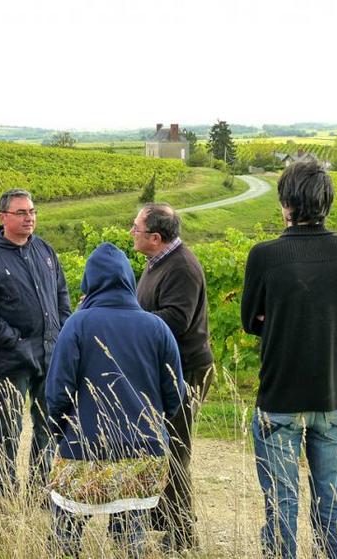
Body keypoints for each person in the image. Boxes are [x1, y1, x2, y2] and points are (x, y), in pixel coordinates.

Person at [241, 161, 337, 558]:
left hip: (279, 400)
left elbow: (250, 321)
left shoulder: (265, 255)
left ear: (287, 202)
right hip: (333, 397)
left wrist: (278, 319)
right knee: (332, 509)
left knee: (282, 508)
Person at [46, 242, 184, 558]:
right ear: (127, 279)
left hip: (84, 453)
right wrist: (153, 426)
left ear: (89, 282)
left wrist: (63, 436)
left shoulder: (78, 324)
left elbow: (56, 395)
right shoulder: (157, 327)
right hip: (143, 455)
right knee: (130, 541)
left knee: (65, 539)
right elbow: (175, 393)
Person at [0, 188, 71, 499]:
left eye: (32, 212)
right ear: (3, 218)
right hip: (14, 360)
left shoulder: (45, 251)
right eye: (22, 213)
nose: (30, 218)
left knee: (48, 428)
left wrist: (62, 329)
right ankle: (5, 494)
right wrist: (12, 338)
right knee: (9, 431)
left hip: (50, 356)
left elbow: (61, 296)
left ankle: (41, 491)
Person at [130, 202, 214, 550]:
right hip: (167, 368)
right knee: (163, 447)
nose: (131, 232)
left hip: (186, 370)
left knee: (176, 450)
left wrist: (130, 320)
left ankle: (182, 534)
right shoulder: (159, 262)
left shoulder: (181, 268)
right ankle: (169, 524)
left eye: (135, 227)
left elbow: (175, 320)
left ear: (155, 236)